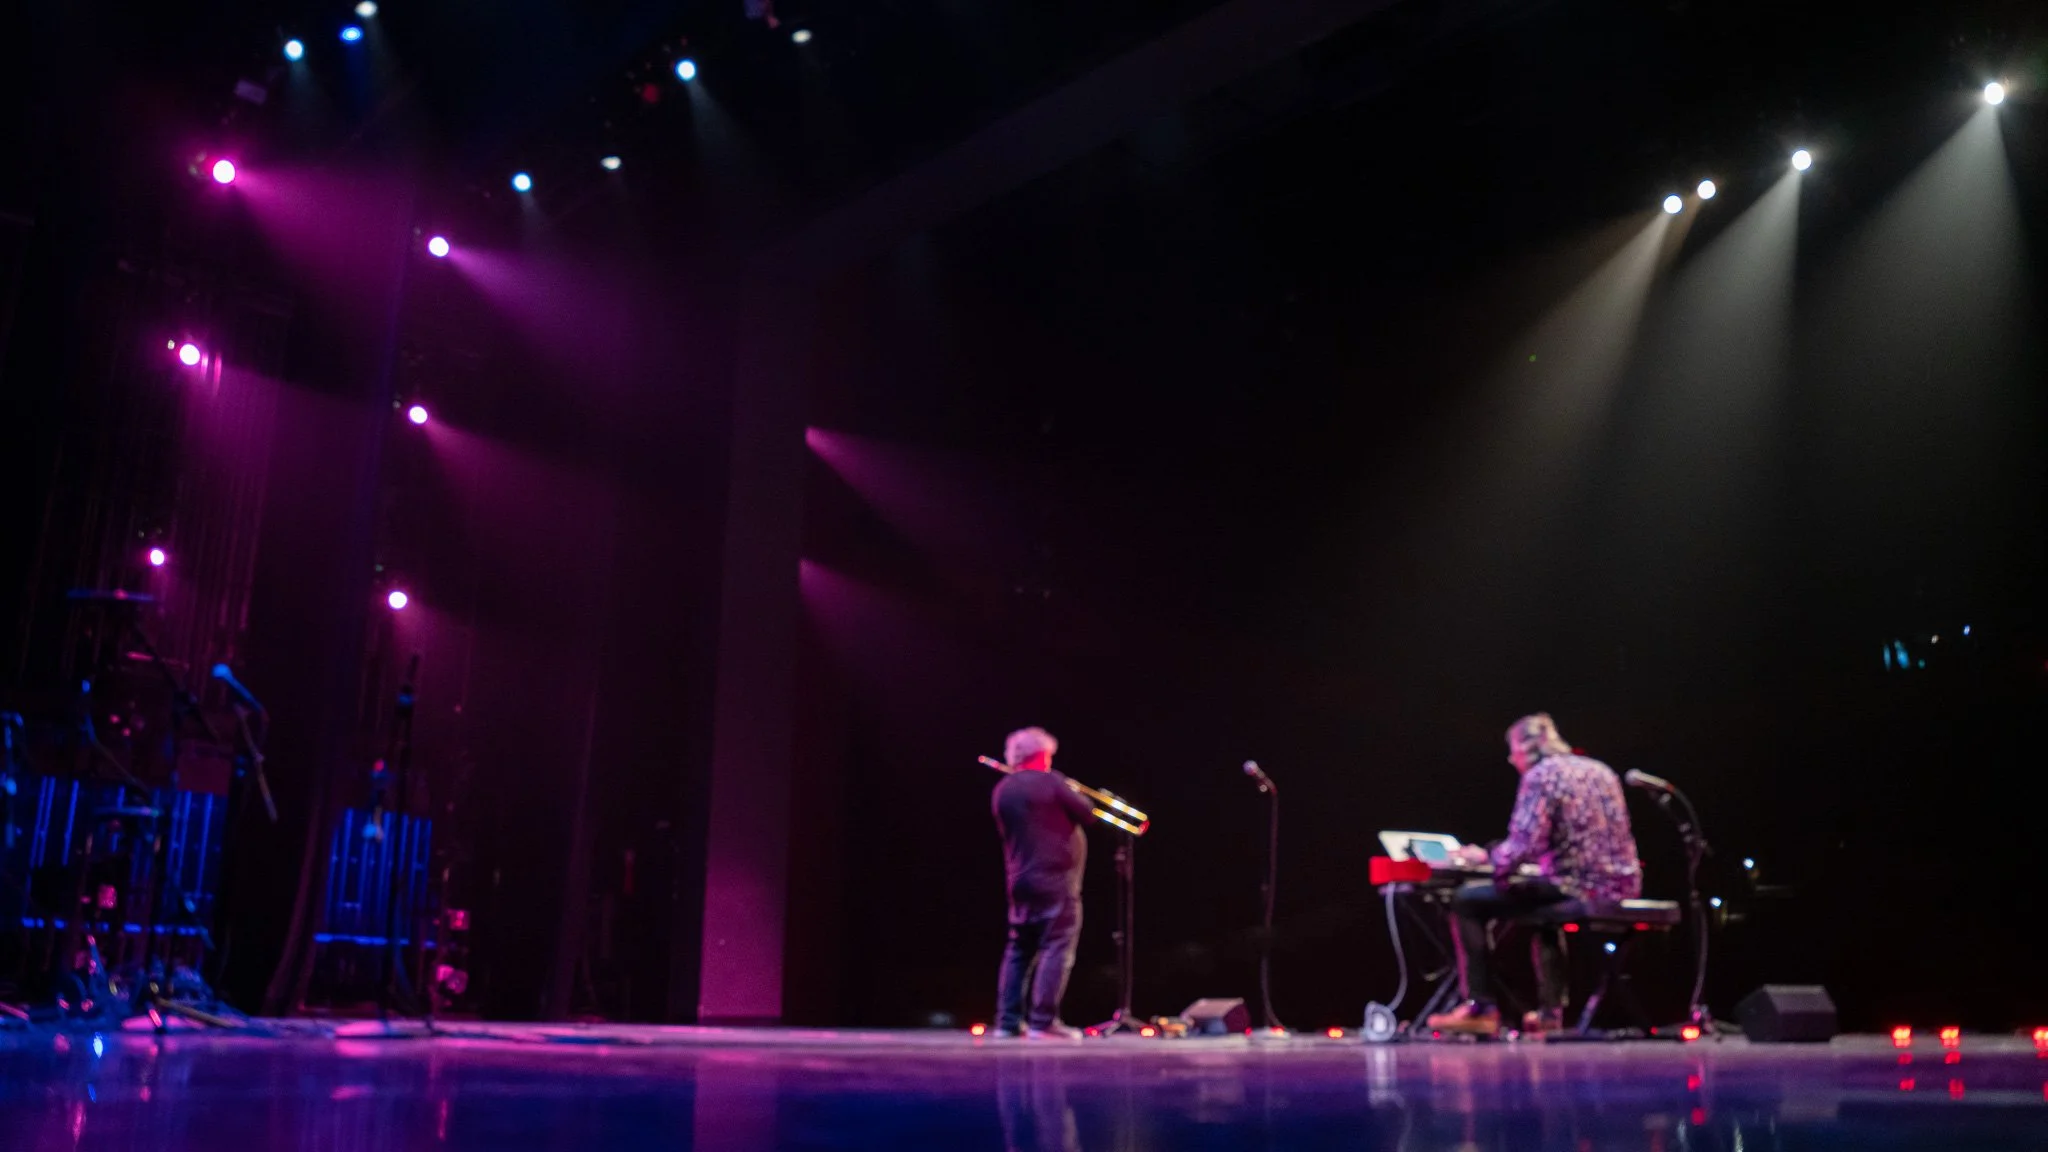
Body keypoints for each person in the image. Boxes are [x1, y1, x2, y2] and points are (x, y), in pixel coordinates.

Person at [1426, 713, 1642, 1035]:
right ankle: (1550, 1014)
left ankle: (1481, 1008)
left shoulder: (1541, 776)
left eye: (1512, 753)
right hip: (1622, 886)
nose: (1512, 761)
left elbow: (1525, 844)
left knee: (1466, 900)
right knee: (1545, 917)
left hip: (1577, 886)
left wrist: (1486, 859)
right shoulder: (1600, 770)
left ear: (1526, 750)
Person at [990, 726, 1095, 1040]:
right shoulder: (1051, 782)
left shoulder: (1003, 789)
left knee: (1018, 949)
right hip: (1056, 881)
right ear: (1041, 755)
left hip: (1019, 879)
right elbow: (1088, 812)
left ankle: (1007, 1023)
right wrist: (1066, 787)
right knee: (1057, 948)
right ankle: (1043, 1022)